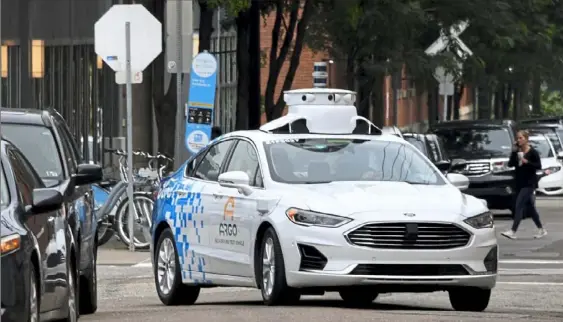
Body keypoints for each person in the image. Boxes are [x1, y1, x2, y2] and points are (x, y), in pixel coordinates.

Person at [501, 130, 547, 239]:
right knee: (531, 208)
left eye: (521, 138)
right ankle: (541, 229)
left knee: (519, 205)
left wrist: (527, 162)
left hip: (529, 183)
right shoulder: (518, 152)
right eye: (517, 138)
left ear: (526, 139)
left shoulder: (533, 152)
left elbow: (538, 166)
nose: (518, 140)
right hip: (519, 183)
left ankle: (513, 231)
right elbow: (511, 164)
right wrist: (513, 152)